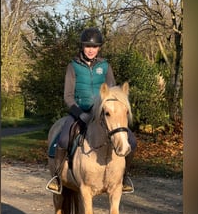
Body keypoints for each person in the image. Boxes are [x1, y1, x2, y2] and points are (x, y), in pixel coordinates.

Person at [46, 27, 136, 194]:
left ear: (99, 48)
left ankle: (124, 178)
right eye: (88, 46)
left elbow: (113, 92)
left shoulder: (105, 66)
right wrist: (80, 114)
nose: (91, 50)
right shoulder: (73, 66)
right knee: (64, 139)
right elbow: (68, 96)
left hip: (103, 114)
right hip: (79, 111)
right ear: (82, 47)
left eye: (94, 47)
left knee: (131, 140)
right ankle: (57, 178)